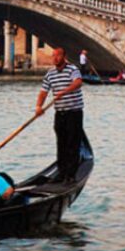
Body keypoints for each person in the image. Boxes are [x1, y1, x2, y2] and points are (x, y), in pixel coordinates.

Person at [35, 48, 85, 183]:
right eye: (54, 56)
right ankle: (62, 173)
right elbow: (43, 92)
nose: (55, 58)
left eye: (58, 55)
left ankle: (71, 175)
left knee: (72, 144)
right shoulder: (50, 74)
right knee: (61, 144)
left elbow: (78, 82)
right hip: (60, 113)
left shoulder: (72, 69)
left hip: (74, 113)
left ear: (64, 56)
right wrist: (39, 106)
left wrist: (64, 91)